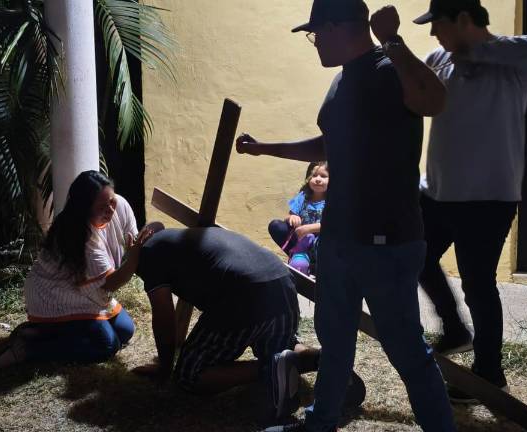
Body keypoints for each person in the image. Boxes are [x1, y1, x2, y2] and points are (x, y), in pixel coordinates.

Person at [237, 1, 456, 430]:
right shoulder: (342, 81)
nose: (314, 42)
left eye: (317, 33)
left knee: (406, 349)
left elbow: (436, 100)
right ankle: (320, 422)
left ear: (341, 27)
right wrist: (267, 148)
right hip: (339, 238)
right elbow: (327, 145)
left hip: (387, 242)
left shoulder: (390, 68)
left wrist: (393, 40)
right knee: (334, 341)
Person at [412, 0, 527, 403]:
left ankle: (491, 374)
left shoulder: (517, 62)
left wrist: (475, 50)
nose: (433, 34)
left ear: (462, 19)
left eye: (437, 24)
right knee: (416, 257)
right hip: (436, 191)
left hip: (489, 197)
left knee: (478, 285)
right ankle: (455, 330)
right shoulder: (439, 56)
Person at [132, 226, 363, 419]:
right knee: (277, 346)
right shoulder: (185, 238)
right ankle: (324, 361)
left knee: (189, 375)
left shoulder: (150, 252)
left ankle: (271, 368)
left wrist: (164, 367)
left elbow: (163, 315)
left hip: (245, 295)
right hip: (282, 283)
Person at [0, 170, 156, 369]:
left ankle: (41, 331)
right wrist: (134, 257)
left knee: (125, 331)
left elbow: (131, 246)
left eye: (111, 201)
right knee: (107, 345)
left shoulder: (121, 205)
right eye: (102, 207)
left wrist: (134, 251)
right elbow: (112, 282)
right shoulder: (80, 234)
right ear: (84, 209)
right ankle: (28, 349)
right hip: (55, 294)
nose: (110, 210)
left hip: (89, 289)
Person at [268, 161, 329, 275]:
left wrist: (308, 229)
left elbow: (333, 223)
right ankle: (296, 255)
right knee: (276, 225)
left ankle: (315, 265)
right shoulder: (303, 196)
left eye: (323, 176)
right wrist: (292, 217)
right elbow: (289, 215)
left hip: (320, 243)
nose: (318, 179)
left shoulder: (332, 201)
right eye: (314, 175)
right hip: (299, 239)